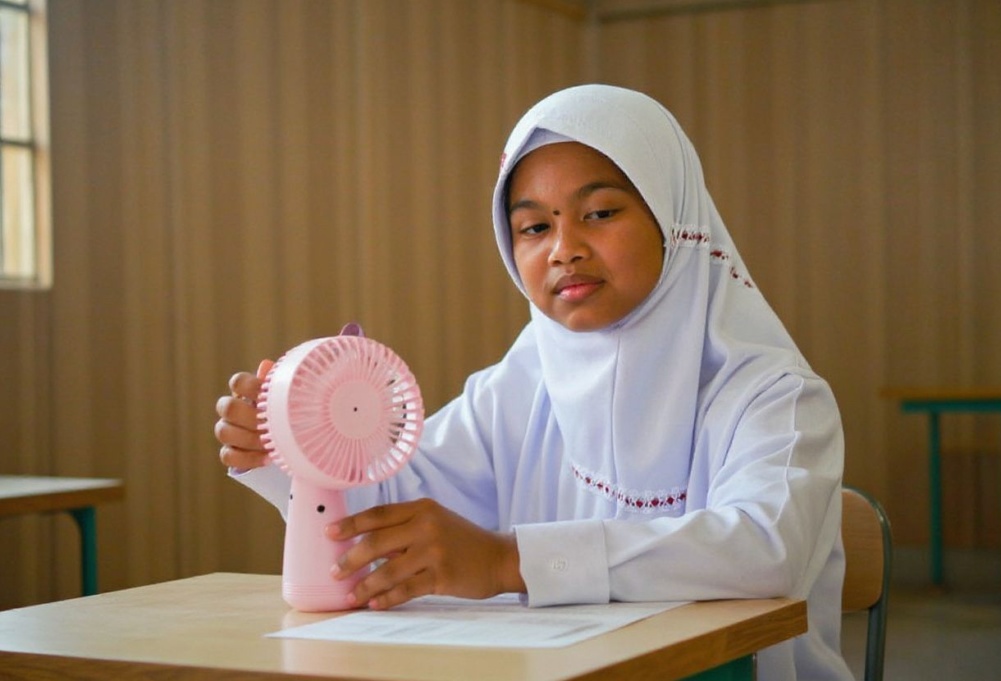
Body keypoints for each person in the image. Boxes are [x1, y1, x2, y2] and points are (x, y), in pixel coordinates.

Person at [215, 84, 853, 680]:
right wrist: (296, 449)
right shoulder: (515, 389)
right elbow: (392, 510)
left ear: (674, 219)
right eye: (535, 228)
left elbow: (765, 546)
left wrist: (504, 560)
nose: (564, 248)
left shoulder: (774, 395)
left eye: (600, 212)